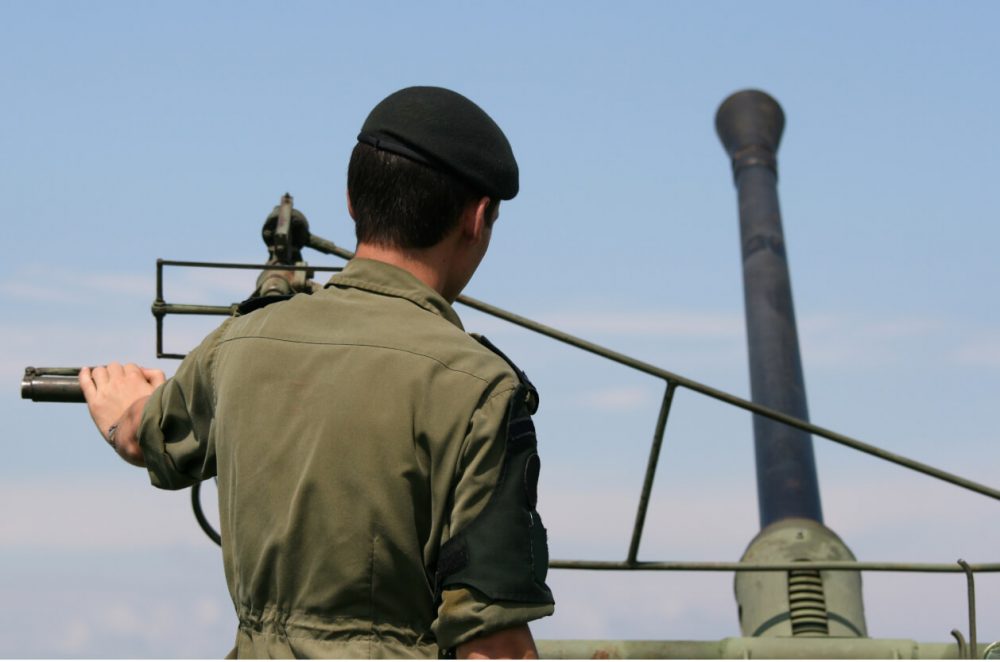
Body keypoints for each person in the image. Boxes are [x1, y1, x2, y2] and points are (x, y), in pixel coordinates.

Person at [79, 86, 555, 658]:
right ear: (478, 218)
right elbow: (494, 645)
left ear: (352, 200)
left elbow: (143, 435)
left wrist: (119, 415)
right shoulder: (481, 390)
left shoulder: (236, 344)